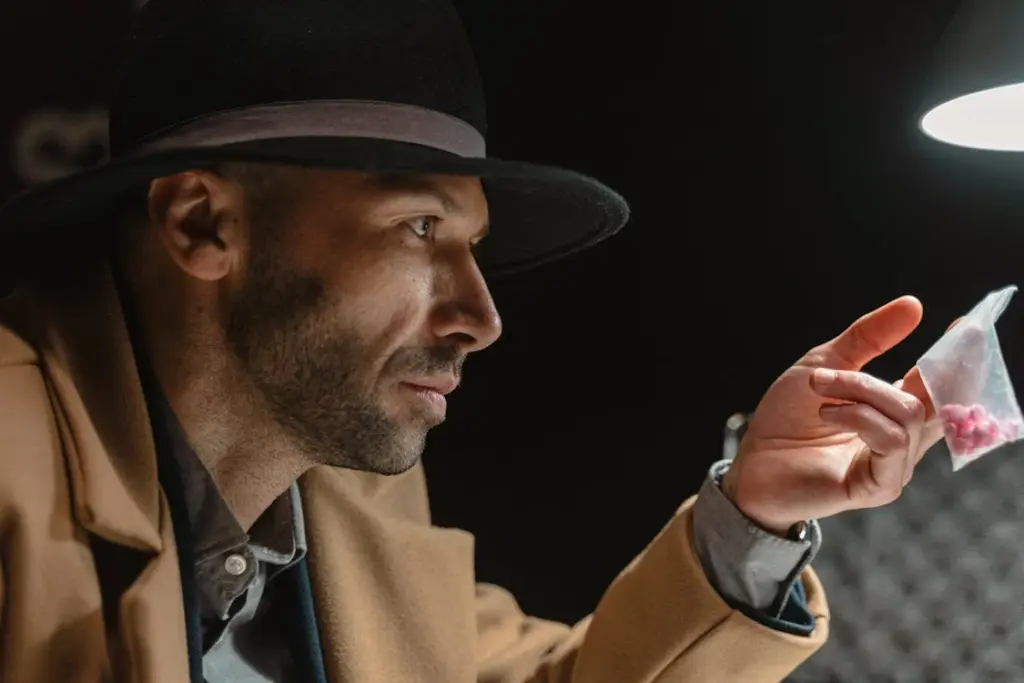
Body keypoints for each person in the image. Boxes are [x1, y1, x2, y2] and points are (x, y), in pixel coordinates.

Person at [0, 1, 945, 681]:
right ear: (206, 225)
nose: (482, 317)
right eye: (418, 227)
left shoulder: (357, 494)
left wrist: (758, 512)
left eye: (473, 245)